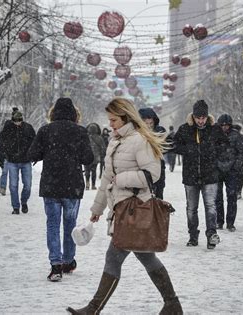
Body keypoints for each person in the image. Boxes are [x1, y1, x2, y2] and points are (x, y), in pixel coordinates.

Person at [67, 98, 182, 314]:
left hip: (135, 209)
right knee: (145, 256)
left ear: (125, 117)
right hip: (121, 209)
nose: (110, 124)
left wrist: (122, 179)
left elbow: (152, 175)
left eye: (113, 120)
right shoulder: (115, 141)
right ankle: (172, 304)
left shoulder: (139, 140)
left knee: (114, 256)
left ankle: (93, 309)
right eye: (109, 120)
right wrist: (96, 209)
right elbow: (106, 179)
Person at [28, 98, 94, 282]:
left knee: (52, 224)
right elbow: (88, 158)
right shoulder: (80, 131)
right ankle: (68, 260)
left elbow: (32, 154)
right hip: (72, 185)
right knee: (70, 225)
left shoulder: (45, 130)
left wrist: (48, 153)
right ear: (74, 113)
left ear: (53, 112)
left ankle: (55, 264)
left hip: (51, 185)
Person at [173, 100, 224, 249]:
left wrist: (215, 154)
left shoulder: (215, 129)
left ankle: (211, 235)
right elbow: (174, 145)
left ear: (207, 117)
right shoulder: (185, 129)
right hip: (191, 175)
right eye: (198, 118)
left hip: (210, 175)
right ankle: (193, 236)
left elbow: (225, 146)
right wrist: (188, 149)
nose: (201, 121)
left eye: (203, 118)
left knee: (211, 206)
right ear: (193, 116)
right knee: (191, 208)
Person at [0, 107, 35, 214]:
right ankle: (16, 207)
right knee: (13, 186)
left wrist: (34, 155)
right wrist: (1, 156)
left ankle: (24, 201)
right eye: (15, 121)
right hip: (12, 161)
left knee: (27, 185)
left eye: (19, 120)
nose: (17, 123)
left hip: (26, 160)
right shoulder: (8, 129)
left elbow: (35, 142)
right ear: (12, 120)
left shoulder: (28, 128)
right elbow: (1, 143)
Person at [215, 114, 243, 232]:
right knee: (218, 197)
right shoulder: (214, 135)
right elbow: (210, 150)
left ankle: (230, 222)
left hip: (231, 170)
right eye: (222, 125)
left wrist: (236, 166)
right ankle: (219, 221)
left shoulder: (236, 136)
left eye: (226, 125)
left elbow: (241, 153)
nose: (224, 127)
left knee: (231, 197)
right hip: (217, 169)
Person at [139, 107, 166, 199]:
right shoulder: (136, 134)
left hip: (158, 170)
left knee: (158, 199)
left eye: (151, 123)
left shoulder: (159, 132)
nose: (149, 126)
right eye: (146, 123)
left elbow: (165, 148)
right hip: (142, 171)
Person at [85, 122, 106, 190]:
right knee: (93, 172)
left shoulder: (85, 137)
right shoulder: (99, 138)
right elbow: (103, 148)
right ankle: (93, 185)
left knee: (87, 171)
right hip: (95, 158)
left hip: (86, 157)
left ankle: (87, 184)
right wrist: (102, 155)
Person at [0, 120, 11, 196]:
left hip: (6, 157)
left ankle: (3, 188)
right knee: (7, 173)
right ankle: (4, 188)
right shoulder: (3, 135)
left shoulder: (2, 134)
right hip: (6, 157)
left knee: (5, 173)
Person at [231, 124, 243, 199]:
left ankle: (234, 190)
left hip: (233, 160)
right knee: (241, 177)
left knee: (233, 177)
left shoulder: (230, 137)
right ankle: (238, 191)